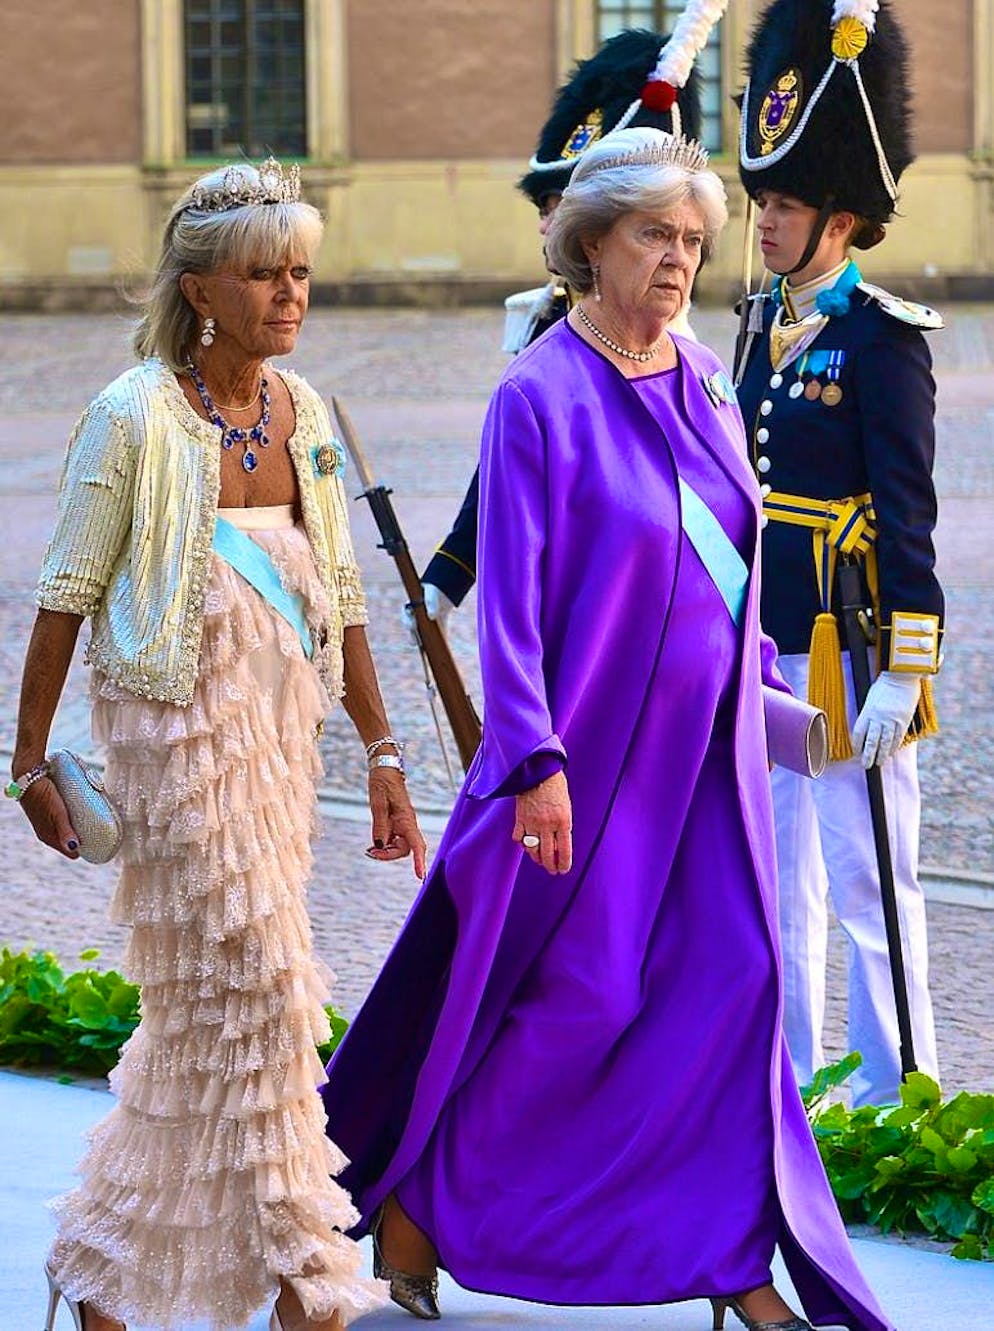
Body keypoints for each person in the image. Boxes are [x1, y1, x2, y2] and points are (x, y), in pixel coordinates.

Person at [321, 125, 896, 1331]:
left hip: (704, 772)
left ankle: (736, 1263)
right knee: (573, 1005)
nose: (678, 260)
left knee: (735, 982)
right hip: (584, 772)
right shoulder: (539, 396)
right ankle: (422, 1201)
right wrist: (531, 761)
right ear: (593, 244)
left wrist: (777, 714)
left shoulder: (700, 382)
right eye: (654, 234)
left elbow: (727, 576)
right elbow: (513, 605)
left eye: (692, 238)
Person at [8, 157, 426, 1331]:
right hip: (170, 741)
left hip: (275, 748)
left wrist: (385, 754)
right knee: (264, 991)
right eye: (263, 274)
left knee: (204, 1020)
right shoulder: (130, 413)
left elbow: (342, 595)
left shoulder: (310, 417)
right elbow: (65, 588)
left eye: (300, 270)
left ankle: (100, 1271)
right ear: (201, 289)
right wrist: (30, 758)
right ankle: (308, 1275)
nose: (291, 294)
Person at [735, 0, 944, 1108]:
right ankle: (794, 1077)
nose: (762, 221)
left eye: (785, 204)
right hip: (766, 647)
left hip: (851, 642)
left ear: (841, 217)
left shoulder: (881, 338)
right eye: (761, 200)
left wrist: (907, 668)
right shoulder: (758, 324)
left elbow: (908, 514)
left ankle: (898, 1091)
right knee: (778, 878)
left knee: (870, 875)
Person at [419, 23, 706, 627]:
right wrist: (451, 571)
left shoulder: (681, 354)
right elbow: (511, 468)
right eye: (547, 209)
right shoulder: (551, 318)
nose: (545, 226)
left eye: (556, 208)